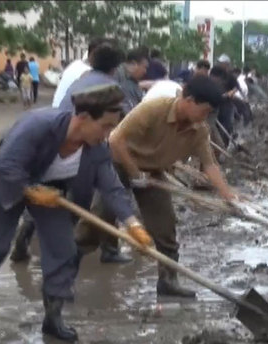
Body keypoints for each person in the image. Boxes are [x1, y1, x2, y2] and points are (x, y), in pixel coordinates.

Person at [0, 83, 153, 343]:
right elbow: (7, 165)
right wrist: (30, 191)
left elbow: (111, 188)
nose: (109, 133)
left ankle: (53, 319)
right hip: (9, 180)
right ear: (83, 117)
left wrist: (133, 224)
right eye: (106, 126)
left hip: (53, 191)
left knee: (63, 250)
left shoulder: (97, 147)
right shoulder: (37, 126)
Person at [87, 75, 239, 298]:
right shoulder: (154, 109)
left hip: (153, 172)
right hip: (119, 163)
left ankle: (168, 281)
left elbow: (209, 165)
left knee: (165, 227)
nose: (204, 118)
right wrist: (134, 172)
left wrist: (228, 195)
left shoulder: (199, 130)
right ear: (188, 99)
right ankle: (65, 271)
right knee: (98, 220)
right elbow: (116, 140)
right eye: (204, 111)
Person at [11, 40, 129, 264]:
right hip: (81, 141)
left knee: (49, 189)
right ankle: (91, 250)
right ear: (116, 68)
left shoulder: (80, 76)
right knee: (100, 192)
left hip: (56, 134)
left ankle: (27, 236)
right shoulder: (109, 89)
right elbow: (120, 122)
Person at [115, 49, 149, 116]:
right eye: (144, 67)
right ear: (133, 64)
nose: (145, 71)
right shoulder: (121, 82)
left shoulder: (132, 81)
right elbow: (131, 113)